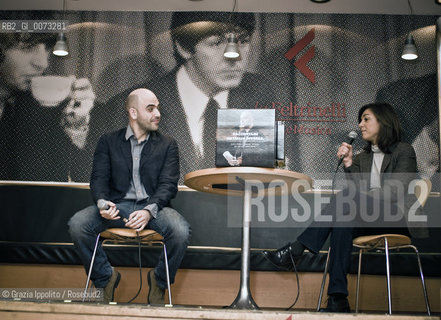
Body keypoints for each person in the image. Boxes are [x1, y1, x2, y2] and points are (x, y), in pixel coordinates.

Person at [262, 103, 428, 313]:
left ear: (383, 121)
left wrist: (358, 193)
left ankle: (297, 249)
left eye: (366, 119)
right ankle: (337, 298)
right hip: (369, 220)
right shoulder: (362, 158)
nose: (360, 125)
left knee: (345, 199)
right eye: (360, 120)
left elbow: (395, 193)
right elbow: (355, 200)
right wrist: (349, 164)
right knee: (342, 219)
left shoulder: (404, 150)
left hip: (396, 218)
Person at [101, 12, 276, 183]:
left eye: (243, 41)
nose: (234, 55)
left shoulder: (260, 93)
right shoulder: (130, 106)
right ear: (183, 48)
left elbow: (267, 180)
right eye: (216, 43)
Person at [68, 88, 191, 304]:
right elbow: (98, 178)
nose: (158, 114)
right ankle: (106, 277)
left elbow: (168, 186)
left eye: (158, 108)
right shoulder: (108, 141)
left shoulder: (168, 144)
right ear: (133, 113)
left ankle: (159, 280)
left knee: (180, 231)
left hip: (153, 208)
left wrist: (148, 211)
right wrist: (103, 204)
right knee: (78, 224)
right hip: (117, 207)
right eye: (150, 108)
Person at [0, 30, 96, 181]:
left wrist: (76, 129)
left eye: (46, 48)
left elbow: (80, 181)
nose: (43, 63)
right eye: (27, 47)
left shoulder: (45, 107)